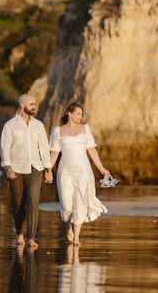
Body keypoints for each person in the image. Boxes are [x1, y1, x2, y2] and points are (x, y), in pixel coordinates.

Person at [49, 102, 109, 245]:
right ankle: (68, 227)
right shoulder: (58, 131)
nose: (81, 117)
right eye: (78, 113)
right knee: (67, 206)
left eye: (82, 114)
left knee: (80, 204)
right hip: (65, 172)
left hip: (83, 172)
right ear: (69, 113)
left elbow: (92, 149)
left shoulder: (85, 129)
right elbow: (54, 154)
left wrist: (101, 168)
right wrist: (48, 170)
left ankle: (76, 237)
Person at [0, 94, 54, 250]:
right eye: (31, 104)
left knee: (33, 202)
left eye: (35, 104)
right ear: (22, 104)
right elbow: (4, 148)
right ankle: (19, 234)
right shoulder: (9, 126)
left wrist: (48, 170)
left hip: (35, 169)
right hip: (16, 170)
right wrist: (8, 167)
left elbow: (44, 148)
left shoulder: (38, 125)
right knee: (17, 204)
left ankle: (31, 237)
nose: (34, 107)